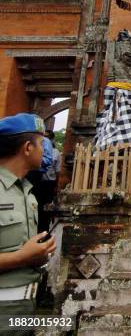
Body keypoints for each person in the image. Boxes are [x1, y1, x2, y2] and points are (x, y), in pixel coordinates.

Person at [0, 114, 57, 331]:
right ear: (27, 148)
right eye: (42, 144)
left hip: (24, 308)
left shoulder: (27, 192)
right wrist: (22, 257)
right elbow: (21, 254)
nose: (46, 150)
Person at [38, 131, 61, 233]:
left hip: (49, 183)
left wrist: (56, 185)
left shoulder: (56, 152)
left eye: (47, 137)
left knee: (46, 207)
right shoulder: (38, 149)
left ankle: (44, 230)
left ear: (52, 140)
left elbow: (58, 171)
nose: (45, 139)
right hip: (38, 181)